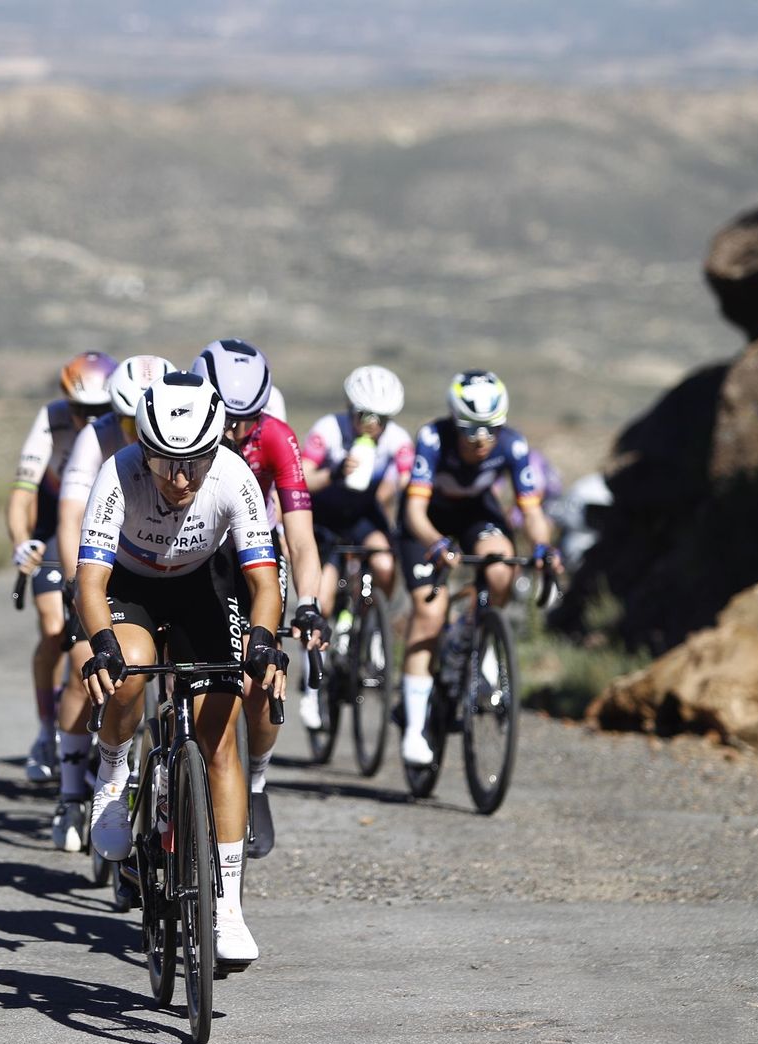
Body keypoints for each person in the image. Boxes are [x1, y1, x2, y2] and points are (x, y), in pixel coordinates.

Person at [76, 372, 287, 966]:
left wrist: (265, 640)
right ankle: (113, 773)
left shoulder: (234, 476)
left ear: (214, 449)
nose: (179, 478)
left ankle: (227, 908)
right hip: (130, 587)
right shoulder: (118, 474)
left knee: (219, 734)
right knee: (133, 669)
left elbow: (262, 581)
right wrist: (101, 643)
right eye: (165, 461)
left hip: (201, 584)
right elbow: (89, 581)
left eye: (194, 461)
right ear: (143, 449)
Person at [190, 338, 326, 859]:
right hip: (189, 550)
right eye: (228, 418)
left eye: (248, 419)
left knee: (260, 678)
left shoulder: (275, 437)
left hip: (253, 550)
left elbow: (300, 537)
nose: (234, 433)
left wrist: (309, 602)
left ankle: (257, 783)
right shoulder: (184, 427)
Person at [395, 370, 564, 765]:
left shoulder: (513, 444)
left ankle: (480, 637)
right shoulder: (433, 438)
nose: (482, 440)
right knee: (429, 613)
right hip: (426, 520)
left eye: (491, 429)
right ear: (456, 423)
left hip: (475, 514)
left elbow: (532, 510)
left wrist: (543, 547)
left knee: (502, 566)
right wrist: (436, 543)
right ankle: (416, 728)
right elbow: (415, 511)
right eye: (471, 431)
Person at [49, 354, 176, 851]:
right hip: (105, 562)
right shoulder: (95, 438)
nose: (129, 432)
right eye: (121, 421)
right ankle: (70, 793)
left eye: (135, 423)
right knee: (87, 662)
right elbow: (70, 516)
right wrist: (73, 580)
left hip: (167, 566)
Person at [7, 350, 117, 783]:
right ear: (66, 403)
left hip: (105, 520)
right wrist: (21, 543)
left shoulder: (122, 425)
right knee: (54, 626)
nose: (88, 420)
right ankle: (45, 729)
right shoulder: (51, 419)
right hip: (57, 526)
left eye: (99, 411)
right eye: (80, 410)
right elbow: (21, 495)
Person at [296, 365, 414, 728]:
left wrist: (393, 489)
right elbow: (301, 478)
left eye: (382, 419)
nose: (373, 425)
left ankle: (375, 630)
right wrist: (335, 472)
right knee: (323, 600)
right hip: (326, 517)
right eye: (365, 415)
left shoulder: (397, 439)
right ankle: (311, 687)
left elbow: (409, 479)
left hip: (363, 516)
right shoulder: (328, 431)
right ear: (351, 410)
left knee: (383, 562)